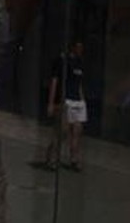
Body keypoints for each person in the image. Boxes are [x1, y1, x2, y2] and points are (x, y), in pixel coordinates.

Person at [44, 41, 86, 171]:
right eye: (78, 46)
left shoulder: (80, 63)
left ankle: (74, 159)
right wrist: (51, 103)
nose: (80, 49)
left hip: (78, 101)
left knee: (77, 131)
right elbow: (55, 81)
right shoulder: (62, 61)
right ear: (73, 47)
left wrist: (83, 100)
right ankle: (50, 156)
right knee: (63, 131)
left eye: (81, 47)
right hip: (66, 100)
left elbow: (79, 84)